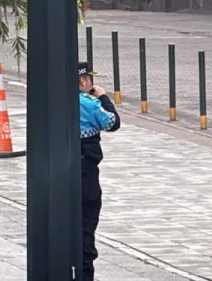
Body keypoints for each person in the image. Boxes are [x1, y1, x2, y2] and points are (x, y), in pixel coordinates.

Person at [79, 61, 120, 281]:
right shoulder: (89, 104)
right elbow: (113, 122)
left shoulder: (53, 101)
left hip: (59, 177)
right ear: (84, 81)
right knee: (86, 229)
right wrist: (103, 97)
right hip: (86, 174)